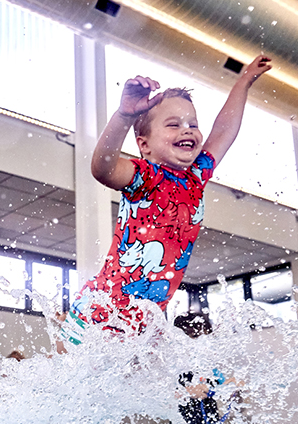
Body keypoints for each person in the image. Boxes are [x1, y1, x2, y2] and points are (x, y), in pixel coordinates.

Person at [59, 55, 272, 346]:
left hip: (147, 320)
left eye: (192, 124)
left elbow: (223, 131)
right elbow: (103, 168)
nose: (187, 130)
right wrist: (124, 115)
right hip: (101, 313)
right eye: (173, 125)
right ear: (144, 145)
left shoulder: (196, 176)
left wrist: (244, 81)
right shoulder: (145, 177)